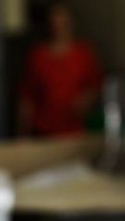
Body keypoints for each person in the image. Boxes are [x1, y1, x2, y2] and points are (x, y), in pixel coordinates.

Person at [17, 3, 103, 139]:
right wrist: (22, 135)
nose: (59, 28)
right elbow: (26, 99)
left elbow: (96, 88)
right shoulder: (37, 57)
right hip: (44, 133)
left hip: (75, 132)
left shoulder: (84, 54)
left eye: (64, 23)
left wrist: (86, 100)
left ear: (71, 23)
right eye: (55, 23)